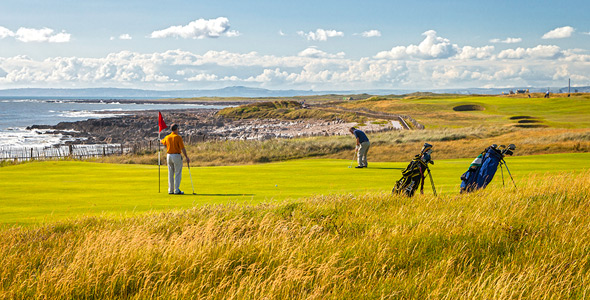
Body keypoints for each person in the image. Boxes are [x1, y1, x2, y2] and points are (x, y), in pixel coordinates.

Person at [160, 124, 190, 194]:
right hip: (176, 156)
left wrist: (160, 140)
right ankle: (176, 190)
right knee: (177, 172)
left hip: (169, 156)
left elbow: (163, 142)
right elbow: (182, 148)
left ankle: (170, 190)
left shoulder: (167, 137)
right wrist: (186, 157)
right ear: (176, 129)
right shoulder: (178, 137)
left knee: (170, 173)